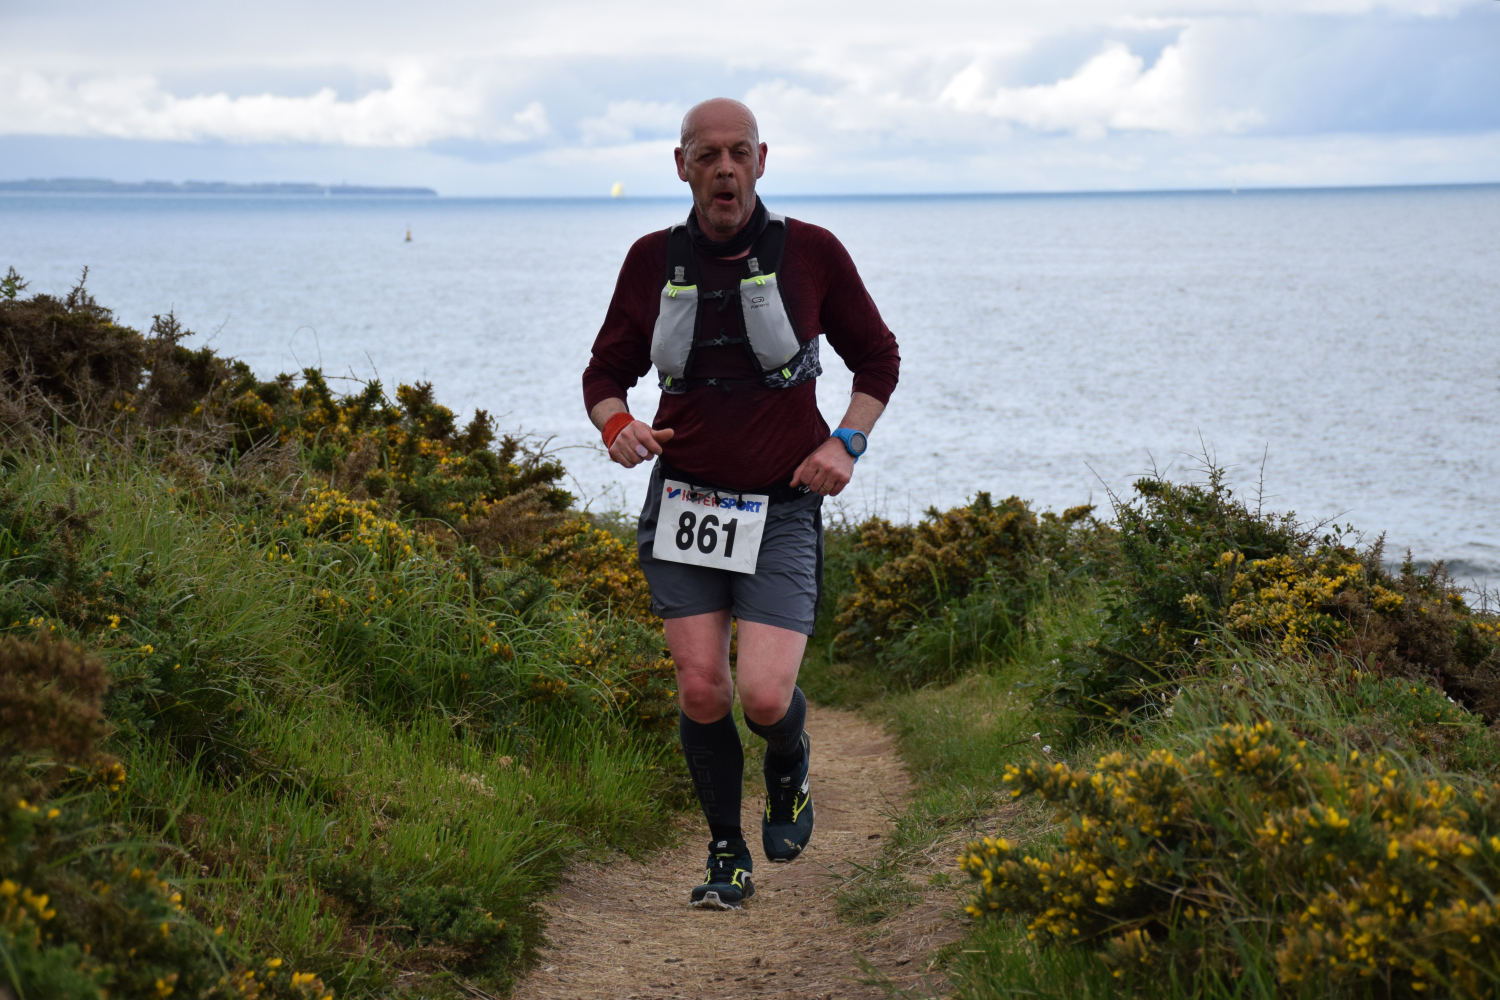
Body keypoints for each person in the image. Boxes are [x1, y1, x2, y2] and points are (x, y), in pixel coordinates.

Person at [581, 97, 900, 910]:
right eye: (707, 154)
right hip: (686, 500)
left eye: (738, 153)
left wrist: (845, 442)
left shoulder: (813, 252)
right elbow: (604, 373)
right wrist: (617, 424)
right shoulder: (652, 259)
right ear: (681, 165)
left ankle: (787, 763)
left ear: (762, 159)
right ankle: (726, 852)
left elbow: (878, 358)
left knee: (762, 697)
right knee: (701, 689)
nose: (724, 168)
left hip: (781, 507)